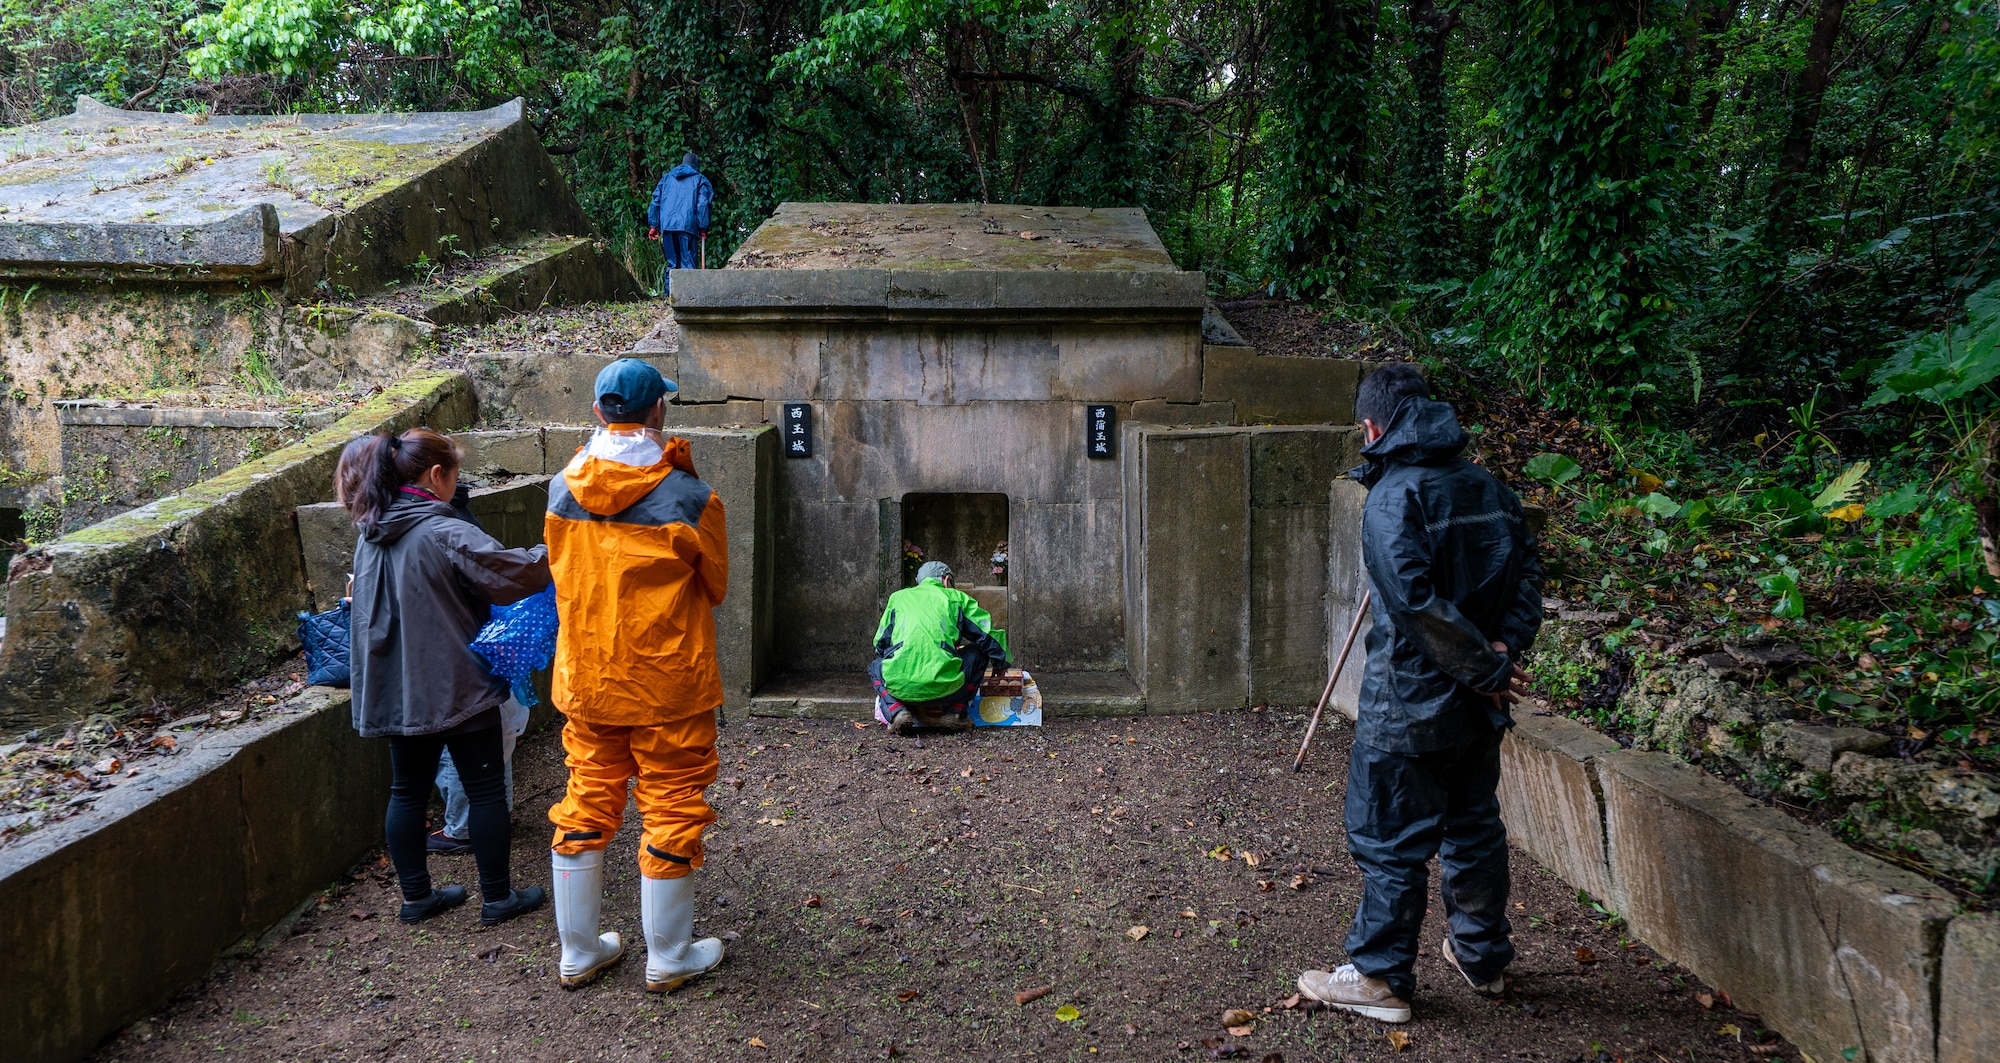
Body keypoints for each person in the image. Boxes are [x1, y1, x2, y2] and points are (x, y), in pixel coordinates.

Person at [1296, 363, 1541, 1024]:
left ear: (1372, 427)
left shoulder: (1394, 497)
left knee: (1390, 836)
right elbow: (1526, 577)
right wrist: (1499, 653)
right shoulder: (1489, 487)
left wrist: (1488, 666)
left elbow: (1412, 603)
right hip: (1475, 705)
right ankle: (1482, 956)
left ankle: (1380, 977)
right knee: (1472, 825)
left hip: (1408, 703)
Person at [543, 359, 730, 992]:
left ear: (599, 412)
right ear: (658, 413)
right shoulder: (691, 498)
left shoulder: (560, 488)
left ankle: (578, 950)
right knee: (672, 803)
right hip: (666, 682)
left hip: (588, 677)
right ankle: (670, 956)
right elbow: (717, 585)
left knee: (586, 796)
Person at [337, 427, 552, 926]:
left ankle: (417, 899)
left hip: (397, 689)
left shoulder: (371, 532)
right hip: (457, 683)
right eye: (456, 474)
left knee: (407, 791)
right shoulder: (441, 527)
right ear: (436, 475)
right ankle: (497, 899)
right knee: (485, 791)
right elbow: (511, 574)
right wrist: (560, 546)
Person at [870, 561, 1010, 735]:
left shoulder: (898, 598)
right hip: (947, 688)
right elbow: (987, 634)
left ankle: (897, 710)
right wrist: (1000, 662)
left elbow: (880, 643)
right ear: (945, 580)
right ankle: (955, 712)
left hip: (901, 688)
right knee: (979, 652)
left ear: (919, 582)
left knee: (876, 666)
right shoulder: (956, 598)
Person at [646, 152, 713, 295]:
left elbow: (655, 201)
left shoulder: (667, 178)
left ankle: (669, 296)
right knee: (687, 264)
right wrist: (703, 227)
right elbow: (702, 205)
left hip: (668, 226)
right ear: (696, 166)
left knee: (672, 263)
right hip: (688, 226)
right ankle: (688, 297)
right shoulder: (700, 179)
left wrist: (654, 225)